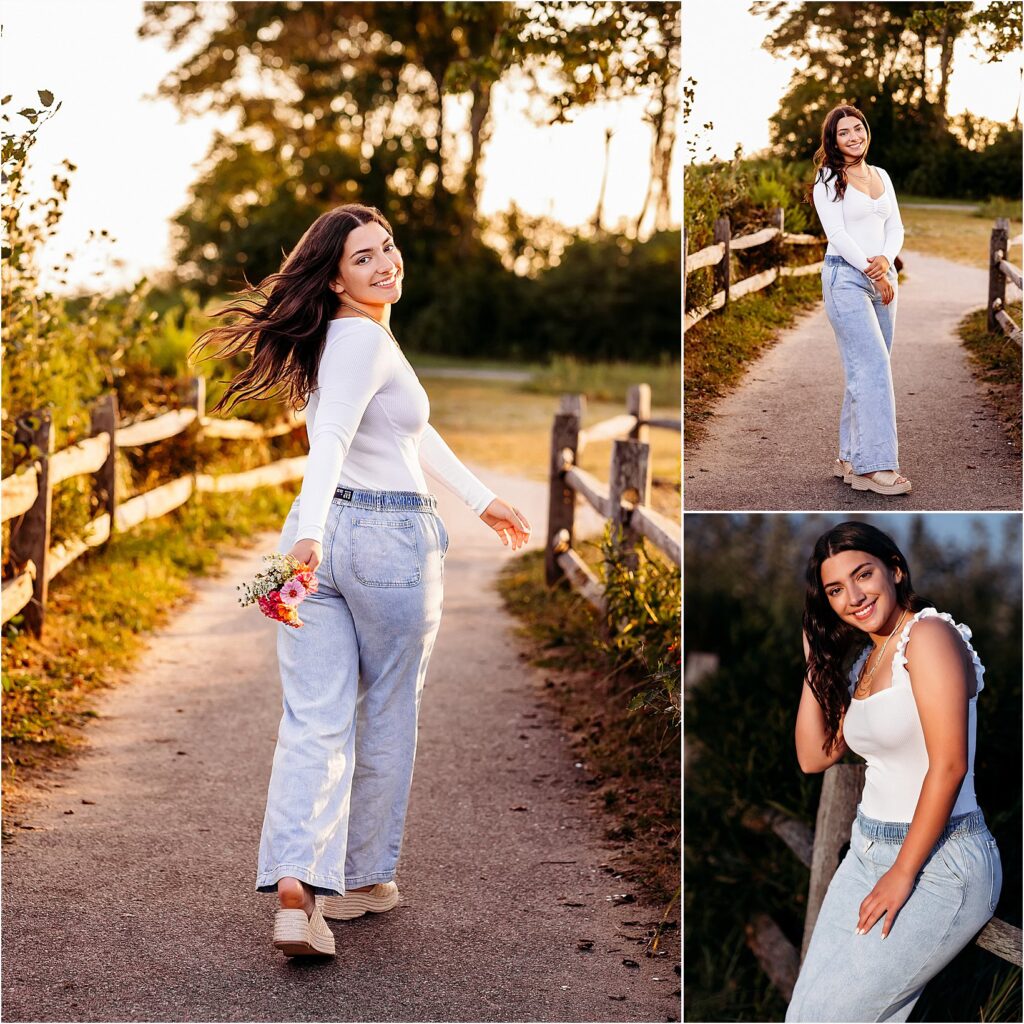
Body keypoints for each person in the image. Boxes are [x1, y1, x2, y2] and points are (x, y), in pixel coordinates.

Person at [192, 203, 531, 957]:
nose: (385, 265)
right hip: (379, 543)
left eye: (387, 249)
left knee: (313, 719)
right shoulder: (358, 342)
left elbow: (406, 432)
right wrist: (312, 536)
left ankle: (294, 892)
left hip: (314, 542)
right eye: (363, 259)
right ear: (337, 280)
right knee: (385, 713)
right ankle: (361, 878)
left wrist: (479, 499)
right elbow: (333, 441)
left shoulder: (350, 339)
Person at [788, 522, 1001, 1022]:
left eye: (863, 575)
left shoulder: (929, 636)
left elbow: (949, 765)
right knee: (803, 1015)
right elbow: (814, 756)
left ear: (896, 569)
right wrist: (815, 661)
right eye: (836, 589)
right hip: (865, 852)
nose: (853, 596)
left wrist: (902, 873)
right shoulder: (867, 657)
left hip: (940, 860)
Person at [810, 105, 910, 496]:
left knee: (867, 368)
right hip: (845, 278)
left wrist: (887, 262)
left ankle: (849, 457)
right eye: (843, 133)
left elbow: (895, 226)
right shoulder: (828, 178)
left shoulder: (882, 175)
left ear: (867, 131)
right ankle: (874, 467)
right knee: (873, 366)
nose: (853, 137)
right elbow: (837, 233)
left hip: (884, 278)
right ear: (833, 141)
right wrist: (876, 269)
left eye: (858, 129)